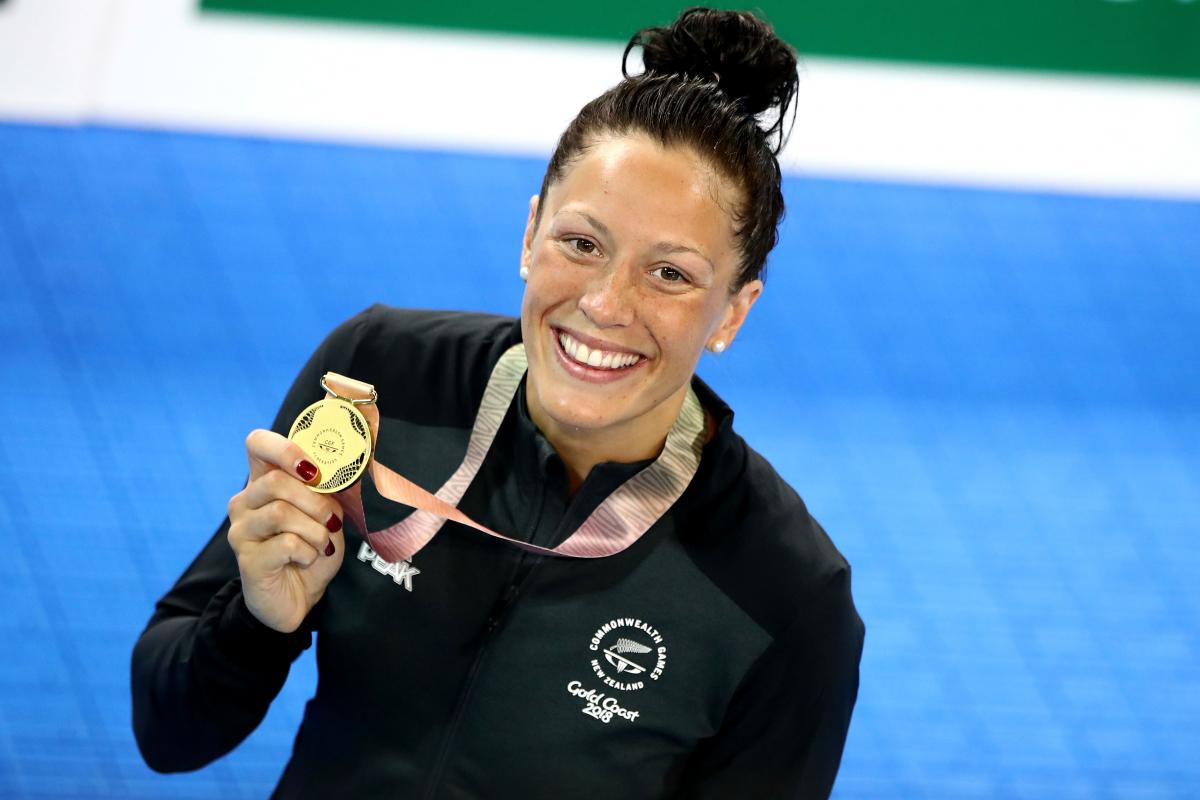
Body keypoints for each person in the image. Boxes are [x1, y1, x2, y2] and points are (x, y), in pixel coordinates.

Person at [131, 7, 865, 798]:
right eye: (581, 244)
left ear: (733, 310)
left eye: (671, 275)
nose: (606, 306)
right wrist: (256, 621)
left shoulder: (782, 595)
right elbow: (169, 734)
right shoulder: (380, 384)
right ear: (529, 234)